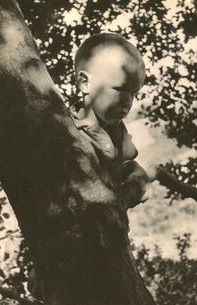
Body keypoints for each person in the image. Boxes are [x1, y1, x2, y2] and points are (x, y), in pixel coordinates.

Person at [69, 32, 151, 210]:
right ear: (84, 83)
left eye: (133, 92)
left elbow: (121, 166)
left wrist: (136, 174)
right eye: (120, 89)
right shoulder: (66, 133)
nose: (128, 101)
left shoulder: (117, 132)